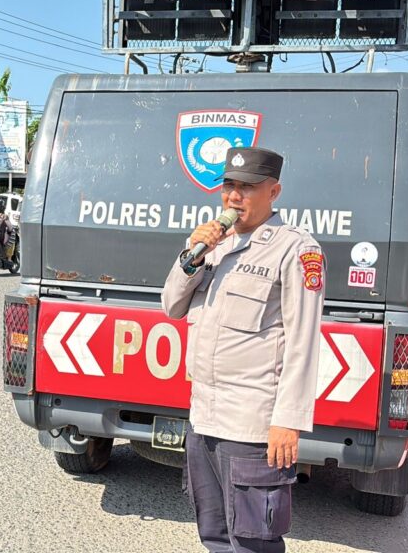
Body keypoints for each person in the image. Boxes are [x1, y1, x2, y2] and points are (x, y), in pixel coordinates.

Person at [161, 147, 324, 553]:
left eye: (247, 187)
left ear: (274, 192)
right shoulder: (212, 244)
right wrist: (191, 256)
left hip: (251, 427)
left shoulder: (295, 250)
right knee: (214, 535)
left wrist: (288, 421)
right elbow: (171, 306)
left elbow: (303, 341)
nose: (234, 196)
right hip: (204, 419)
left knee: (254, 542)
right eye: (229, 186)